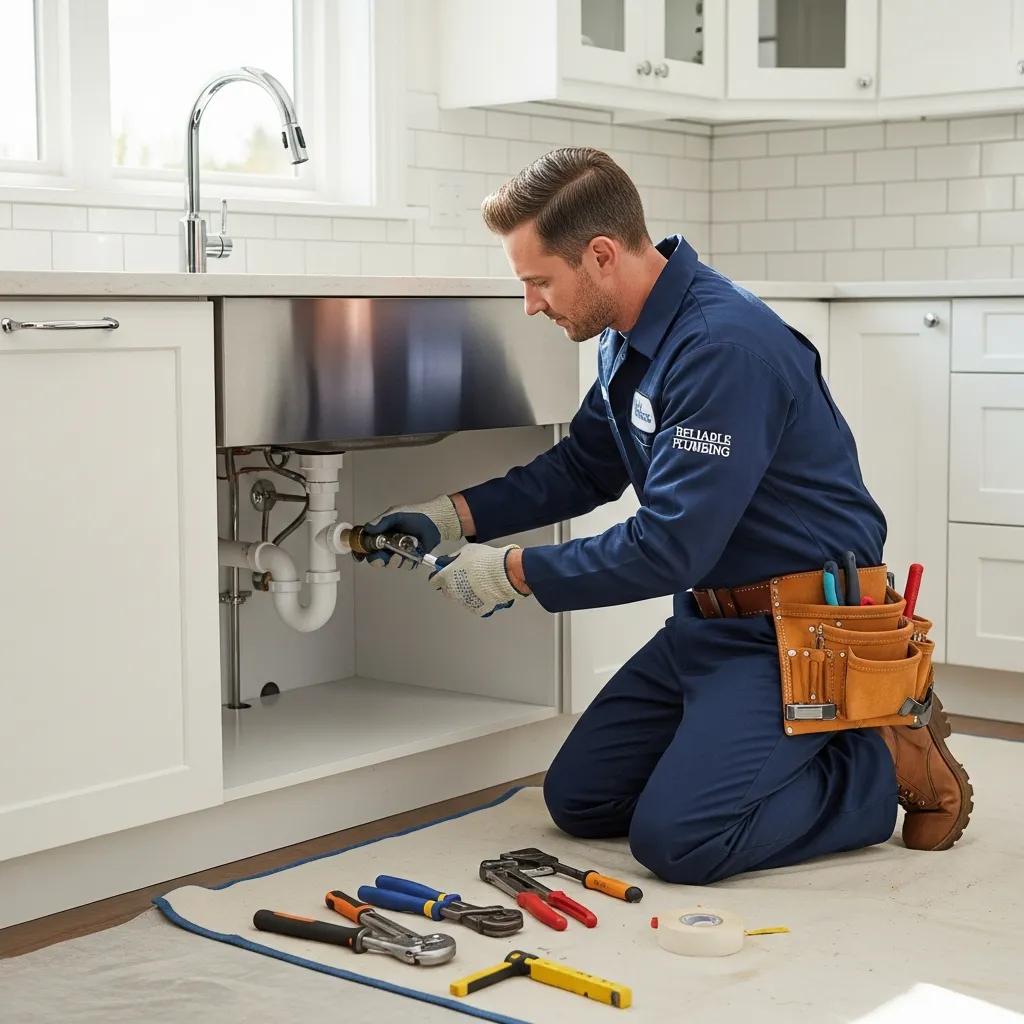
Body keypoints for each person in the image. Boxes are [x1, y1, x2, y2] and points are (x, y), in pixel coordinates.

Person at [363, 147, 973, 885]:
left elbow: (670, 546)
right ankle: (776, 747)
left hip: (800, 637)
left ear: (599, 255)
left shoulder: (721, 348)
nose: (531, 304)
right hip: (709, 624)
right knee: (581, 798)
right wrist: (453, 516)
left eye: (537, 282)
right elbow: (585, 466)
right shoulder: (630, 334)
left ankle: (870, 763)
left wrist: (514, 572)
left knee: (678, 842)